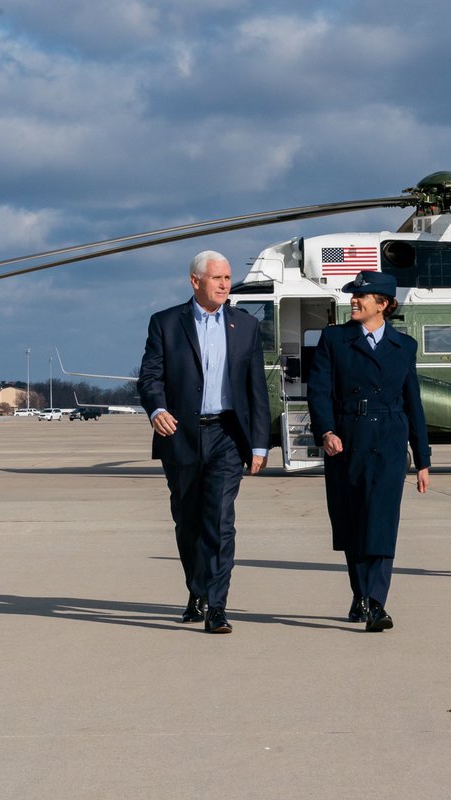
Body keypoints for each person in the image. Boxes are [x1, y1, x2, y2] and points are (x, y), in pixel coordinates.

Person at [138, 250, 271, 634]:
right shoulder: (165, 323)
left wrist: (259, 444)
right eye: (217, 278)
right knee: (188, 521)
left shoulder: (245, 326)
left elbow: (255, 389)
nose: (225, 285)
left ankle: (217, 606)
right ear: (195, 281)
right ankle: (196, 590)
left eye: (228, 278)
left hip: (227, 435)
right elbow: (150, 377)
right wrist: (156, 409)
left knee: (220, 520)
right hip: (180, 433)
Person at [307, 270, 431, 632]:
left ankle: (376, 602)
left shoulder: (404, 347)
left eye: (363, 297)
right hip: (347, 440)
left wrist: (422, 459)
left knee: (381, 521)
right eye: (353, 295)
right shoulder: (334, 339)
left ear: (385, 304)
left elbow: (414, 404)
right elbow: (319, 391)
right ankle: (360, 593)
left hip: (389, 442)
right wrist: (326, 430)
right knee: (352, 522)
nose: (354, 301)